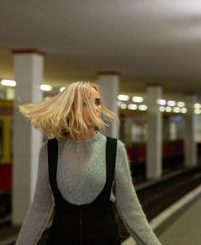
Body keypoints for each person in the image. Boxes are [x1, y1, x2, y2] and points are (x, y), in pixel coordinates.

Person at [15, 81, 161, 245]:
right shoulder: (49, 151)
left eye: (97, 102)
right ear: (70, 108)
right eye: (85, 103)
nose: (96, 108)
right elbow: (39, 210)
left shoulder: (113, 149)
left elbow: (131, 210)